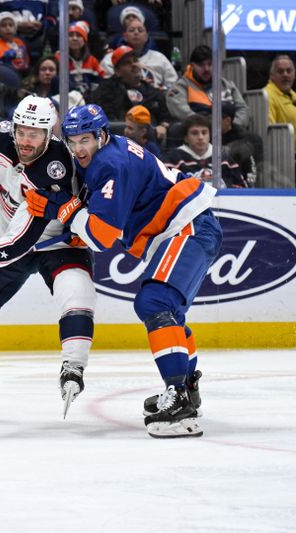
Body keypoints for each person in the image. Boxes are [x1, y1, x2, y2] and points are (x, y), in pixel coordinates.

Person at [28, 103, 222, 438]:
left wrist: (64, 212)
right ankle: (187, 388)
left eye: (85, 140)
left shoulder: (110, 163)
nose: (77, 149)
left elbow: (102, 238)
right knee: (168, 311)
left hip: (187, 226)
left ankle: (178, 399)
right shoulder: (107, 151)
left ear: (101, 135)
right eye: (72, 140)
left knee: (155, 303)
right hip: (180, 228)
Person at [0, 95, 97, 421]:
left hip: (59, 242)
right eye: (22, 131)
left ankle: (73, 367)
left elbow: (24, 237)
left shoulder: (56, 166)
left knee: (77, 295)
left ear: (48, 134)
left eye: (35, 134)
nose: (26, 141)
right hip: (8, 239)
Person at [92, 46, 171, 141]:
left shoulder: (153, 91)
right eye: (127, 63)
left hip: (149, 140)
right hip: (120, 139)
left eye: (135, 60)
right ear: (117, 71)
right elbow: (107, 120)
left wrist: (163, 126)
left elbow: (165, 117)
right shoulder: (106, 90)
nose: (134, 64)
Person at [166, 44, 249, 130]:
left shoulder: (227, 85)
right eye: (201, 65)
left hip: (230, 131)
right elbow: (183, 113)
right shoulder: (180, 87)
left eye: (210, 64)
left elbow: (243, 110)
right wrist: (209, 127)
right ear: (192, 66)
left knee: (254, 139)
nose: (206, 69)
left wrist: (231, 126)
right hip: (199, 133)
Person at [162, 113, 248, 189]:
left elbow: (241, 189)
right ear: (186, 138)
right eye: (194, 133)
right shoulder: (173, 159)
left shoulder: (224, 159)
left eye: (204, 132)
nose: (200, 137)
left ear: (210, 135)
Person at [100, 12, 176, 90]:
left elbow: (173, 86)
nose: (136, 32)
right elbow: (106, 88)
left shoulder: (160, 58)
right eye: (131, 30)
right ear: (125, 36)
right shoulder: (110, 59)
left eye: (140, 30)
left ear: (146, 37)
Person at [59, 21, 104, 101]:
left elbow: (98, 83)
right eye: (71, 35)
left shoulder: (92, 61)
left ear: (84, 40)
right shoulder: (59, 58)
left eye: (79, 35)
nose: (74, 38)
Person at [264, 54, 296, 150]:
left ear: (294, 74)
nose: (285, 74)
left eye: (289, 71)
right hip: (284, 158)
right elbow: (271, 133)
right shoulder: (267, 95)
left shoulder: (292, 94)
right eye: (280, 71)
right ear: (271, 76)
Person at [0, 11, 30, 76]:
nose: (8, 28)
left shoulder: (19, 42)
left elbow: (26, 57)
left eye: (11, 25)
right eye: (4, 26)